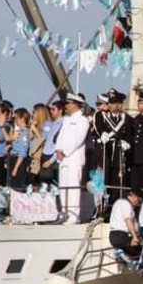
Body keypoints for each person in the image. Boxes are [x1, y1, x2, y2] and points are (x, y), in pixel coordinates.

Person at [56, 93, 90, 224]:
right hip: (63, 159)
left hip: (74, 158)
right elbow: (61, 137)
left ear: (76, 104)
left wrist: (65, 151)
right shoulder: (66, 120)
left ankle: (74, 215)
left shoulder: (83, 120)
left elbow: (78, 140)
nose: (67, 106)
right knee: (63, 186)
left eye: (69, 103)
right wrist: (58, 149)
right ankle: (64, 212)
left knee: (73, 186)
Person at [96, 89, 132, 201]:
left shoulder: (127, 118)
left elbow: (129, 134)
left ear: (119, 105)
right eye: (109, 102)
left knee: (118, 178)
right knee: (105, 177)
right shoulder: (101, 116)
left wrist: (127, 143)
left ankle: (115, 203)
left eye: (113, 103)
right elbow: (100, 127)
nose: (110, 105)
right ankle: (103, 206)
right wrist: (103, 134)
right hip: (106, 151)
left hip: (118, 151)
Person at [108, 188, 143, 255]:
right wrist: (135, 237)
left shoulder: (120, 203)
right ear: (134, 197)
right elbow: (128, 220)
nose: (138, 204)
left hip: (115, 235)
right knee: (139, 249)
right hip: (122, 234)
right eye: (139, 201)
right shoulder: (126, 204)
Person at [40, 101, 64, 186]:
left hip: (52, 157)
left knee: (52, 184)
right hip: (45, 154)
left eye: (53, 109)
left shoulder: (63, 124)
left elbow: (60, 145)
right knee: (44, 184)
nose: (51, 111)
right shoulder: (52, 123)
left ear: (60, 110)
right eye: (50, 109)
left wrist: (50, 161)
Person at [8, 108, 31, 190]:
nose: (15, 120)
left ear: (22, 119)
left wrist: (15, 168)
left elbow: (22, 153)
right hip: (13, 158)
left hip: (18, 161)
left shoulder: (25, 133)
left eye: (16, 118)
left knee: (17, 186)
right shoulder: (19, 132)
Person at [28, 104, 50, 186]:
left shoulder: (47, 125)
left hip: (39, 158)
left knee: (35, 182)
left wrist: (35, 130)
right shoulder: (37, 126)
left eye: (34, 112)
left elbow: (43, 140)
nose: (32, 114)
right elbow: (29, 138)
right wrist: (32, 127)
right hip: (32, 158)